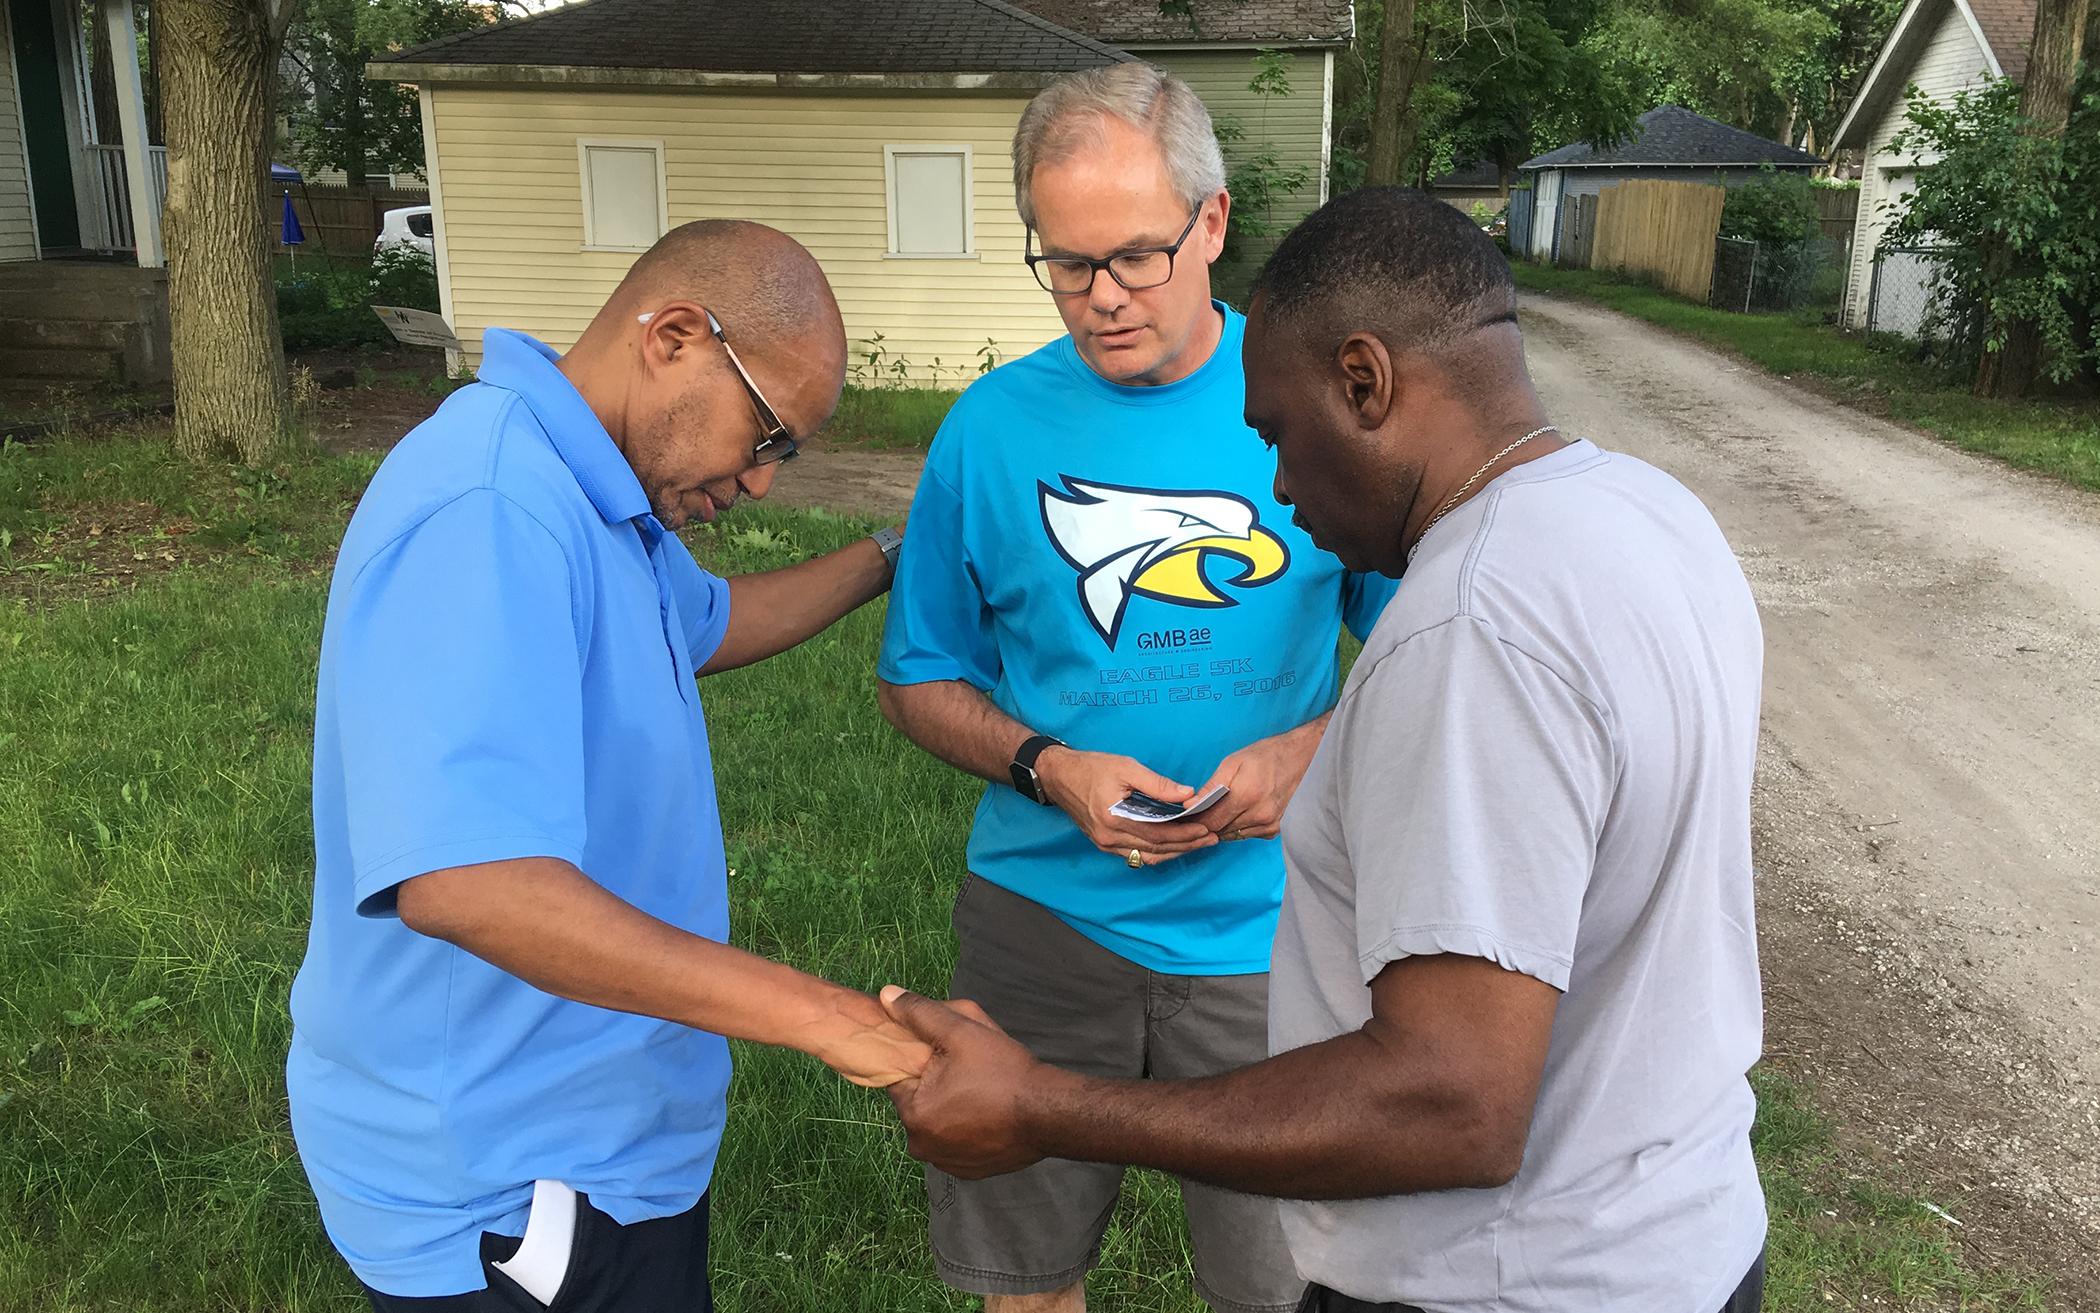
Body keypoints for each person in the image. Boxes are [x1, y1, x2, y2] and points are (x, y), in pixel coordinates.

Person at [879, 186, 1770, 1313]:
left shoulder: (1469, 626)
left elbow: (1451, 1100)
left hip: (1512, 1278)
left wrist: (1044, 1105)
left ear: (1365, 380)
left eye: (1278, 437)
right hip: (1687, 1239)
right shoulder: (1650, 514)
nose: (1283, 492)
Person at [287, 219, 927, 1313]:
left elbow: (714, 620)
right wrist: (835, 1020)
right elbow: (470, 882)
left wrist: (893, 554)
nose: (764, 482)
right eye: (766, 434)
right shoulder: (488, 507)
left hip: (602, 1143)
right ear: (675, 335)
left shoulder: (594, 492)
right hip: (506, 1186)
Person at [876, 64, 1394, 1313]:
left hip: (1278, 936)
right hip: (1043, 928)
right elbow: (918, 676)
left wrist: (1310, 751)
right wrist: (1048, 766)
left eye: (1136, 257)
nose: (1101, 299)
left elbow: (1423, 660)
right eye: (1065, 264)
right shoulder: (987, 431)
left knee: (1293, 1287)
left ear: (1213, 225)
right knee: (1029, 1285)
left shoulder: (1317, 406)